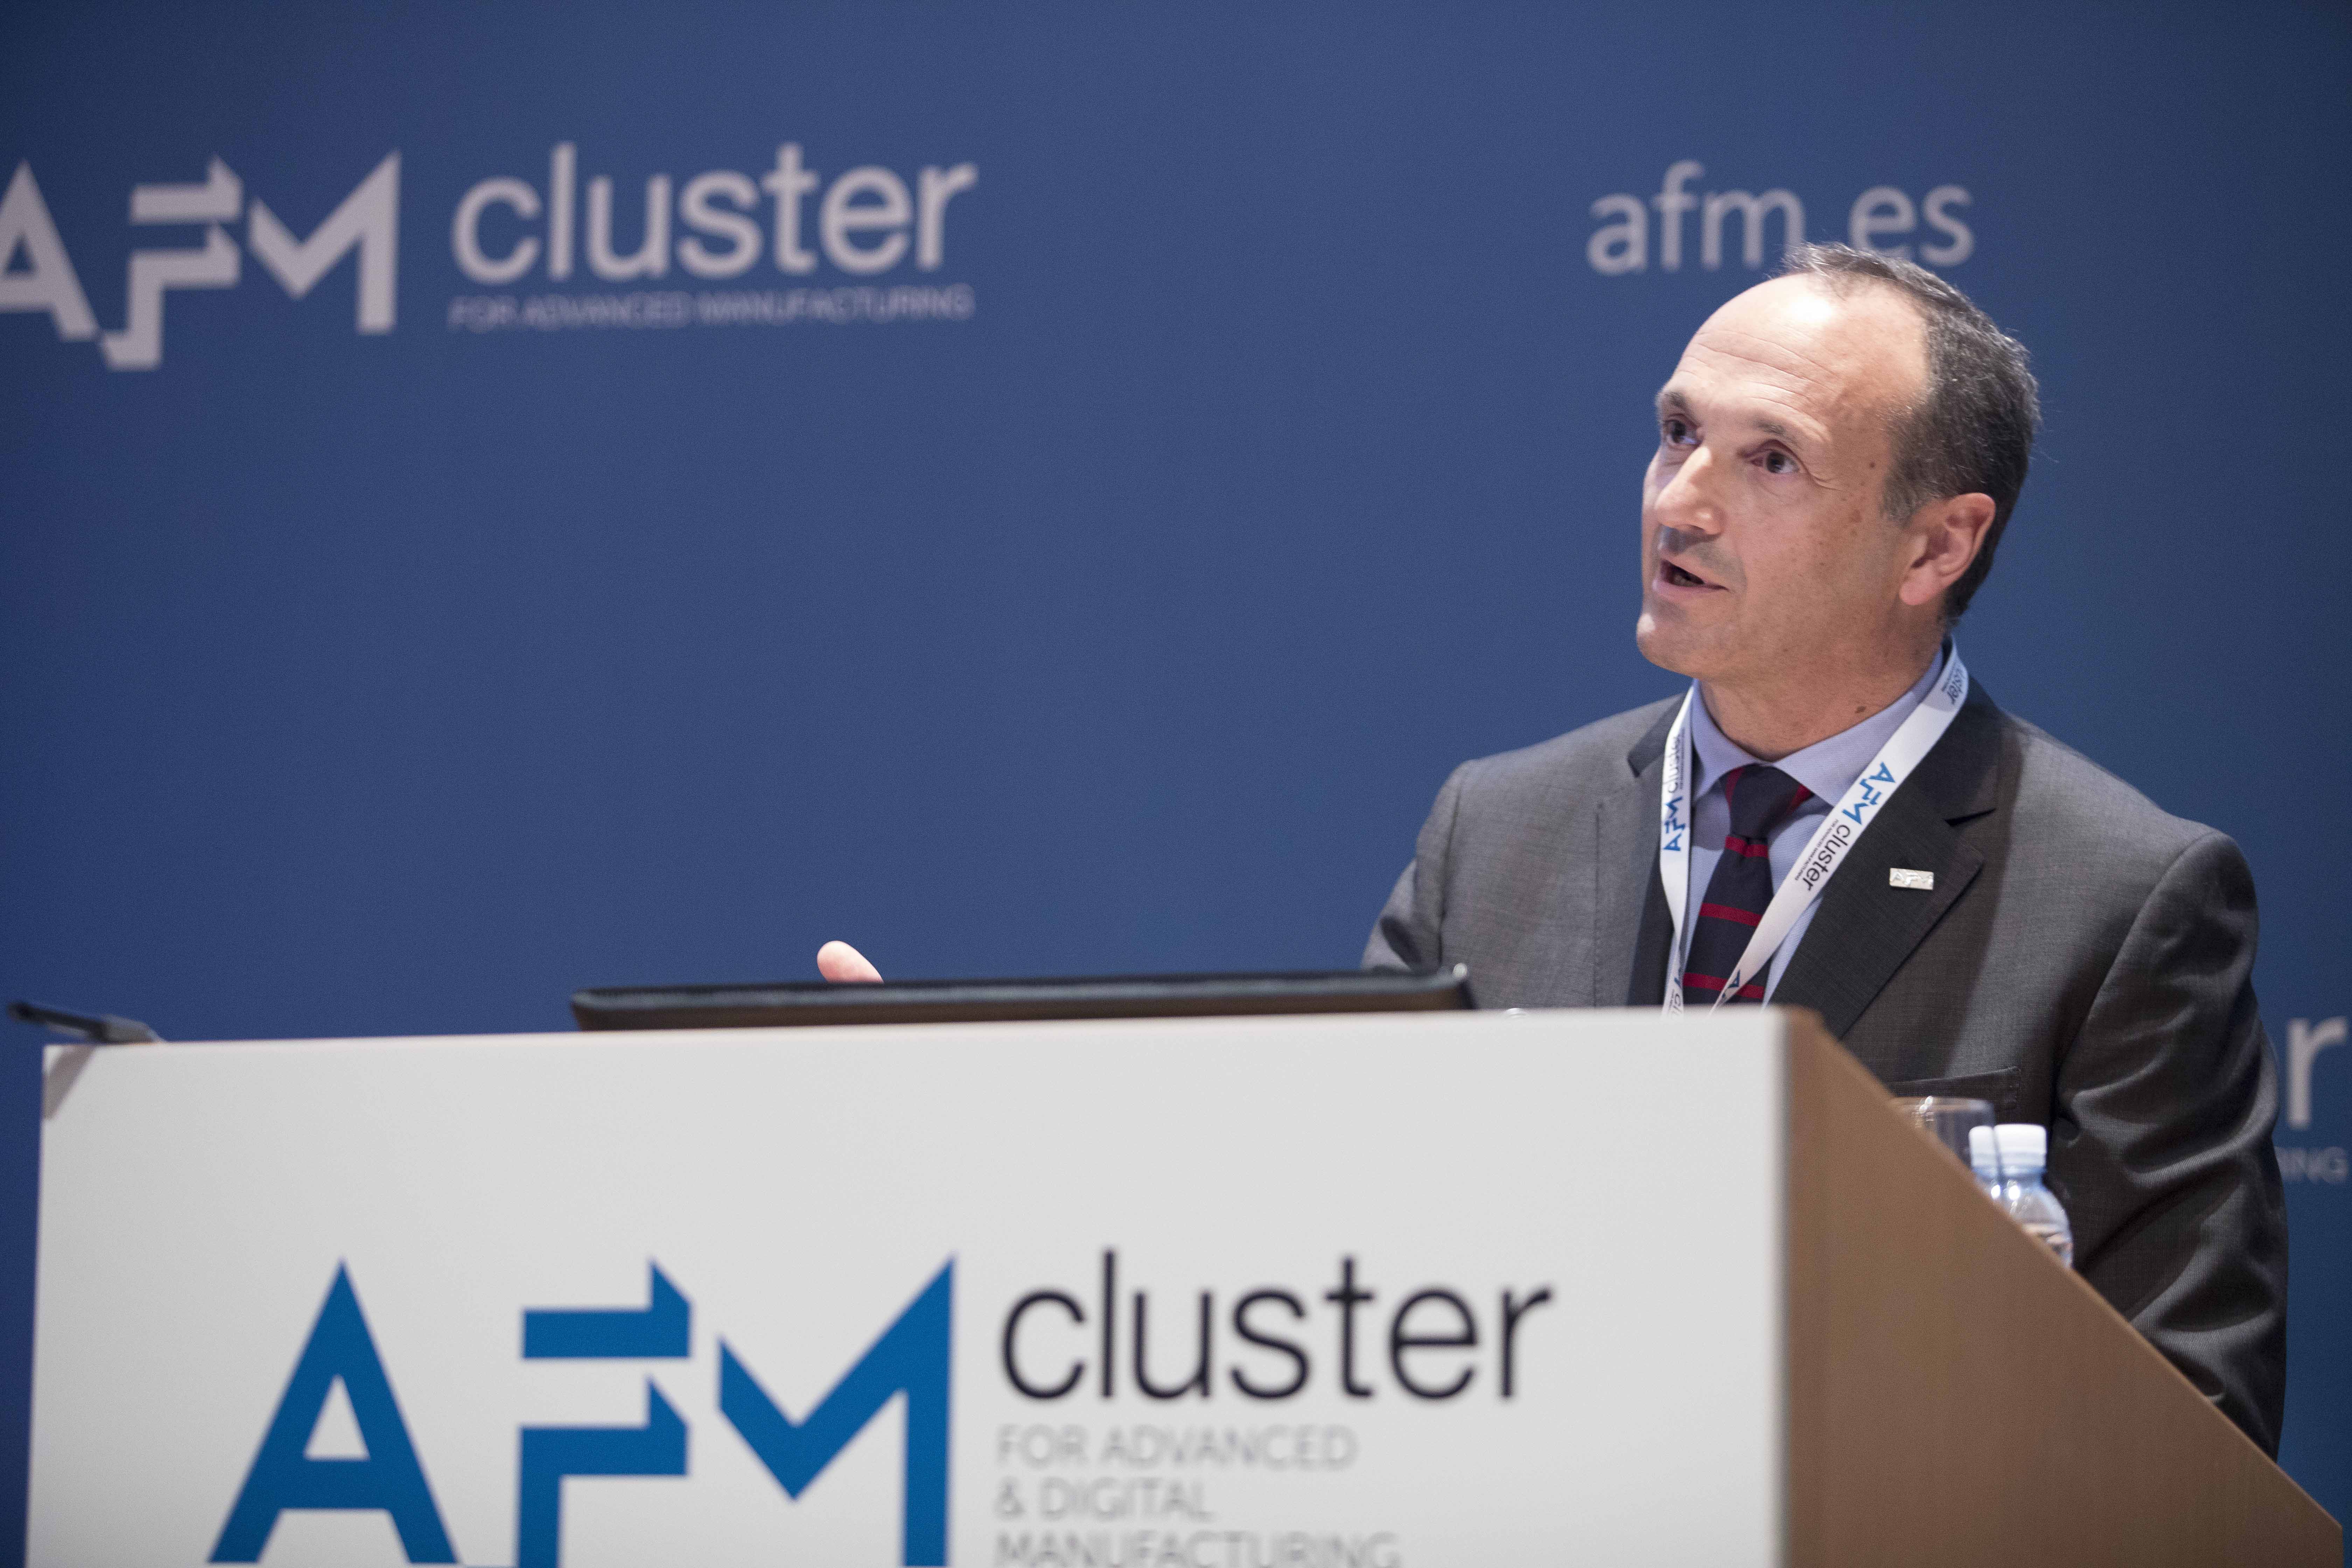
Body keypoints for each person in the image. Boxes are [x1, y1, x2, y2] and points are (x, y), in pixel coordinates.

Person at [820, 244, 2288, 1455]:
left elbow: (2195, 1433)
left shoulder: (2119, 899)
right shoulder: (1501, 828)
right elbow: (1314, 1263)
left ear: (1935, 546)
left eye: (1770, 460)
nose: (1681, 499)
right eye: (1678, 432)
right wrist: (990, 1150)